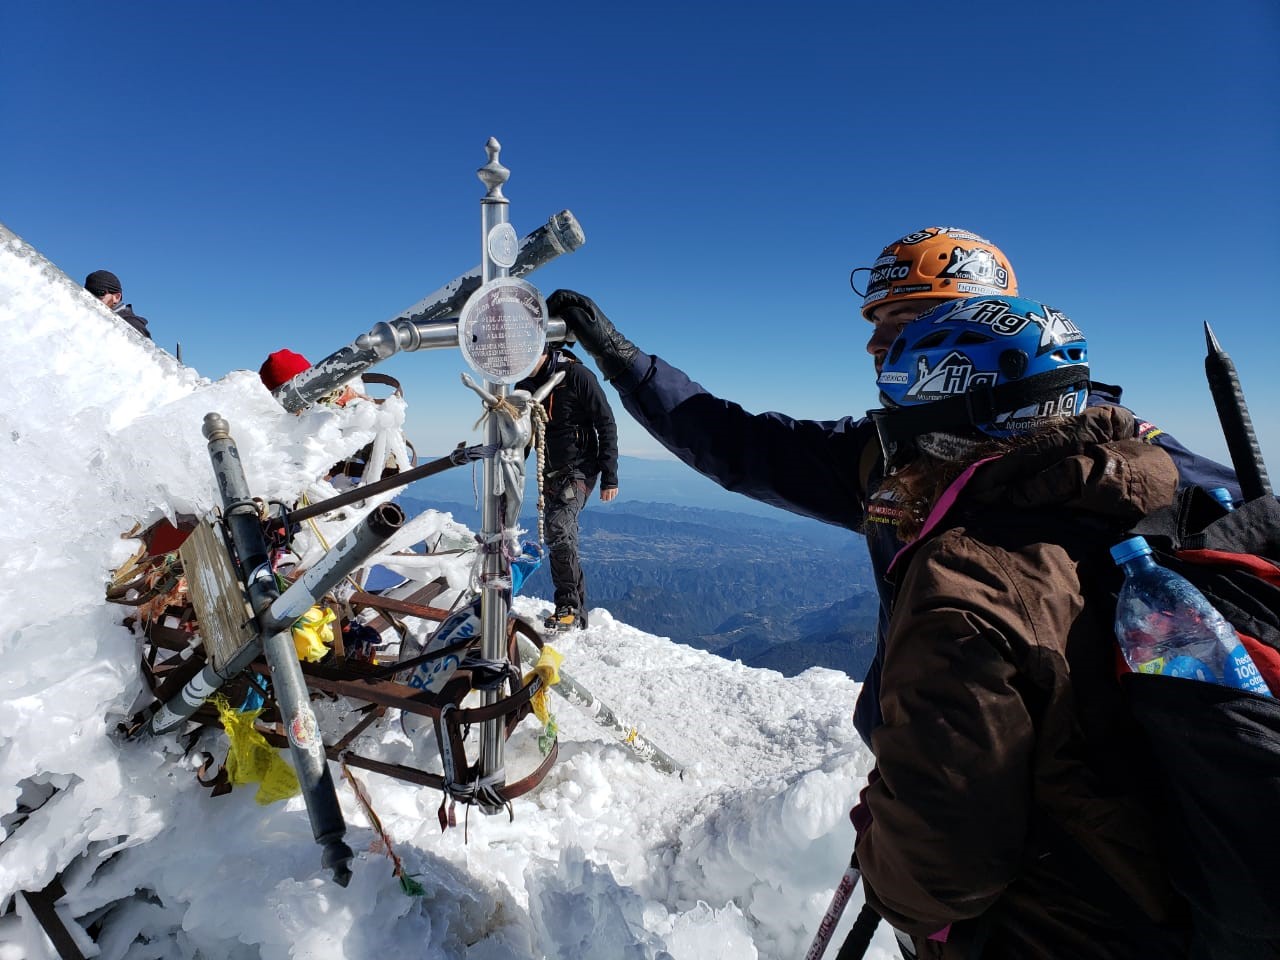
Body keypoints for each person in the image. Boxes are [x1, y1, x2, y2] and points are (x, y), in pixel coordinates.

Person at [545, 226, 1238, 742]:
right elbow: (746, 447)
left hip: (1083, 848)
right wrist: (627, 363)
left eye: (899, 321)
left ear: (977, 321)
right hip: (956, 790)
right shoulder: (891, 456)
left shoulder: (1142, 468)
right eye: (876, 324)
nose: (875, 346)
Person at [849, 295, 1191, 957]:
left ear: (948, 419)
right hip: (1175, 914)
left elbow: (939, 871)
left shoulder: (967, 578)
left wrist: (876, 846)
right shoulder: (1152, 509)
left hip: (1051, 933)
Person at [515, 343, 620, 631]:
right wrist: (513, 468)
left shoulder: (576, 376)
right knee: (562, 535)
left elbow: (605, 421)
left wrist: (610, 475)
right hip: (551, 473)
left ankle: (569, 607)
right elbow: (522, 433)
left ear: (543, 349)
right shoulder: (525, 385)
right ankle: (574, 611)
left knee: (558, 528)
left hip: (580, 469)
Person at [85, 269, 151, 340]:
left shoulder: (131, 326)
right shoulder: (88, 318)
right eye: (87, 293)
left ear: (117, 297)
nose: (91, 298)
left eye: (99, 293)